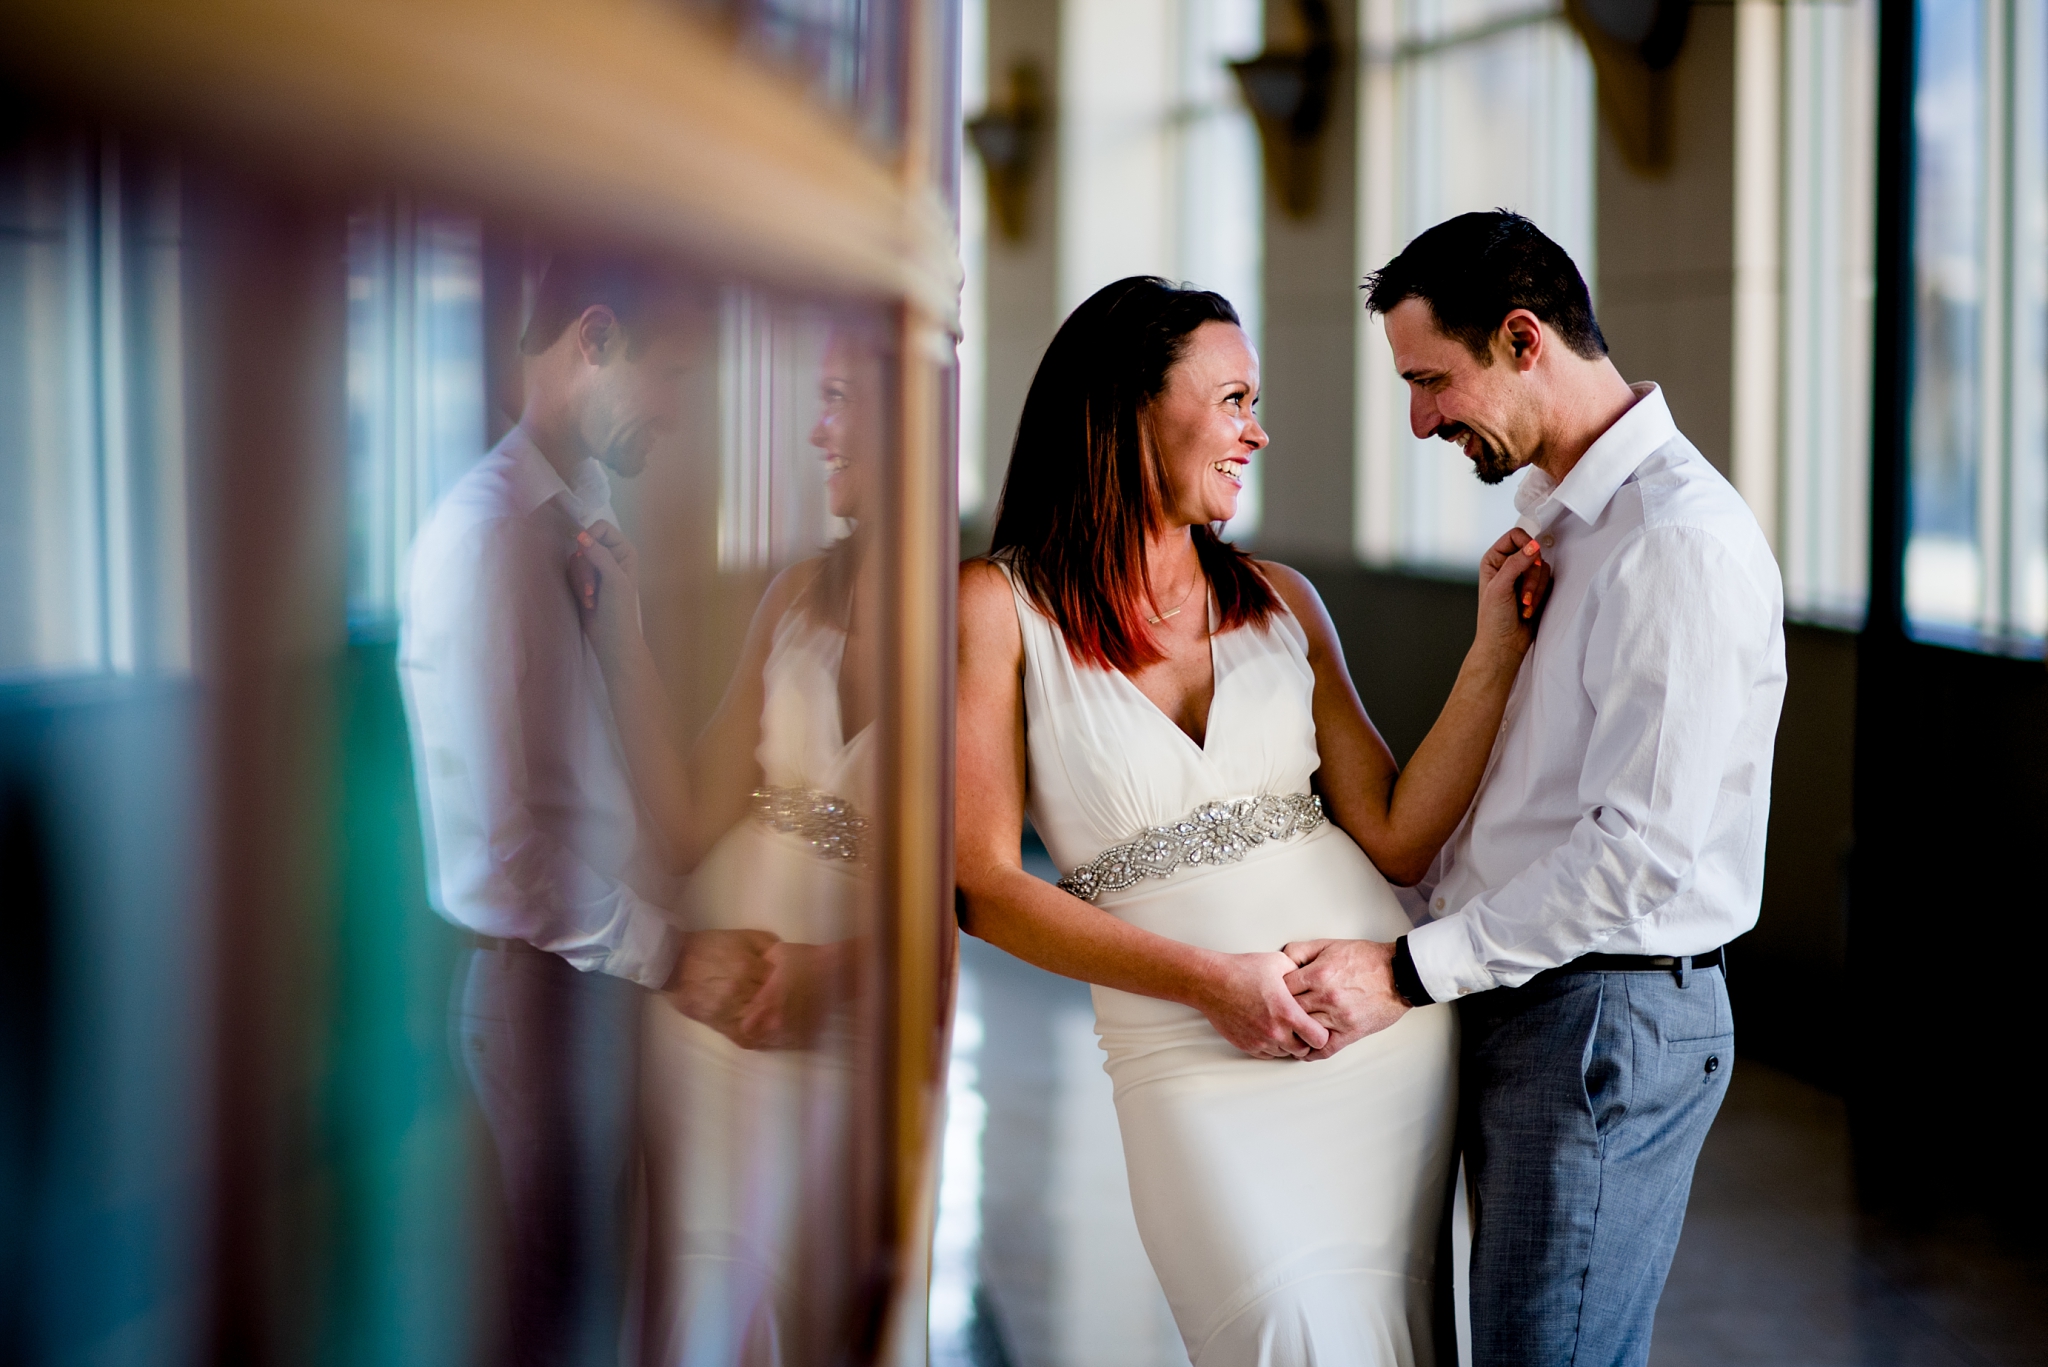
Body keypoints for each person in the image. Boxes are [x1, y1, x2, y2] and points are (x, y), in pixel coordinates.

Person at [954, 276, 1552, 1365]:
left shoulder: (1279, 598)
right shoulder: (995, 611)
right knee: (1278, 1332)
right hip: (1186, 1053)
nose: (1256, 430)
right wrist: (1210, 982)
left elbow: (1397, 834)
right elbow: (982, 888)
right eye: (1231, 398)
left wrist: (1492, 652)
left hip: (1378, 1047)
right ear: (1129, 406)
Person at [1282, 211, 1787, 1366]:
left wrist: (1407, 970)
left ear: (1520, 338)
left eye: (1429, 380)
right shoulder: (1571, 536)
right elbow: (1530, 806)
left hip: (1599, 1017)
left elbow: (1636, 855)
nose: (1418, 420)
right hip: (1542, 1003)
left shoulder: (1674, 541)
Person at [398, 253, 772, 1367]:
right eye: (671, 376)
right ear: (594, 339)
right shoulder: (486, 540)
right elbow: (507, 852)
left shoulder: (585, 519)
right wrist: (675, 955)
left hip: (610, 977)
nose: (674, 411)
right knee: (570, 1318)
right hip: (544, 990)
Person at [568, 328, 884, 1365]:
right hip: (707, 1022)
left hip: (855, 1025)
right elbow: (687, 818)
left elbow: (971, 881)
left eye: (837, 395)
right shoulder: (793, 595)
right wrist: (621, 640)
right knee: (704, 1305)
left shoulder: (980, 617)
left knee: (825, 1304)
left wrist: (834, 973)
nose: (812, 428)